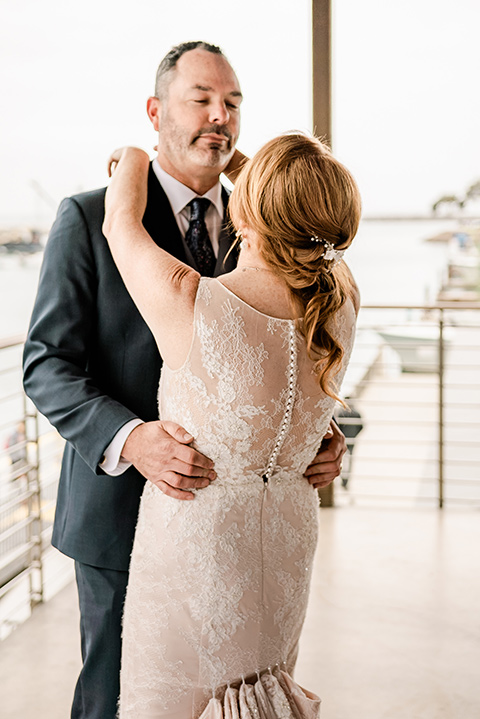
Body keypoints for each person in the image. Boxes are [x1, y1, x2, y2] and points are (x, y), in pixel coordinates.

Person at [22, 41, 346, 719]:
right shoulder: (87, 216)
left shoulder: (265, 220)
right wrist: (131, 437)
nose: (218, 116)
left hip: (245, 547)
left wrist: (316, 430)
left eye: (231, 102)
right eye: (200, 99)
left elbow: (283, 355)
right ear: (156, 110)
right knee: (117, 698)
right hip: (119, 518)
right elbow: (45, 361)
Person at [103, 133, 361, 718]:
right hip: (287, 541)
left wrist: (134, 156)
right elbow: (292, 206)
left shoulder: (194, 301)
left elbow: (120, 224)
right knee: (258, 688)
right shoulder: (342, 299)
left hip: (199, 550)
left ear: (246, 209)